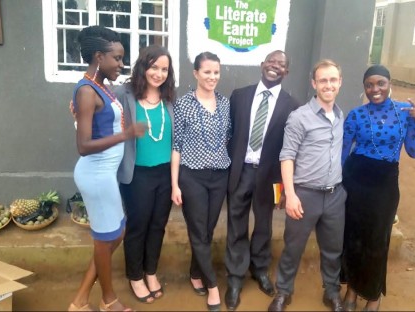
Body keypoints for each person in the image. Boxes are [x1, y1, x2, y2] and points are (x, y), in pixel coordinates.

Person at [341, 65, 415, 311]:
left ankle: (373, 295)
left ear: (390, 83)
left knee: (377, 240)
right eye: (369, 85)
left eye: (380, 83)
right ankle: (351, 289)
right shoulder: (356, 115)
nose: (375, 89)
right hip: (355, 180)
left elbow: (413, 151)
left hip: (384, 185)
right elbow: (342, 152)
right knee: (354, 237)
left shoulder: (405, 111)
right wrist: (338, 183)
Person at [69, 25, 145, 312]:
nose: (121, 64)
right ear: (99, 57)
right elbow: (84, 145)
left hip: (105, 175)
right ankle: (108, 300)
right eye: (117, 58)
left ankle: (80, 299)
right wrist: (126, 135)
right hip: (96, 175)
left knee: (116, 233)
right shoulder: (87, 91)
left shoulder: (101, 86)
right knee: (106, 238)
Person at [267, 59, 347, 312]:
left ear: (340, 83)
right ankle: (283, 292)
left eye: (333, 80)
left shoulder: (340, 115)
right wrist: (290, 195)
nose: (328, 85)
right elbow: (287, 156)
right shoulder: (299, 117)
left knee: (333, 249)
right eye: (323, 80)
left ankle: (331, 292)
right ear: (314, 83)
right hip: (305, 195)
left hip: (335, 195)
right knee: (293, 247)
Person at [225, 50, 300, 311]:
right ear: (262, 65)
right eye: (271, 61)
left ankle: (259, 269)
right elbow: (230, 133)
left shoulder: (293, 106)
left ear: (286, 72)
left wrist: (284, 186)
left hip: (270, 176)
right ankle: (235, 277)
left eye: (281, 64)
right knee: (236, 221)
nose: (275, 66)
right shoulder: (239, 96)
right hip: (241, 170)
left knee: (264, 225)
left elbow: (290, 147)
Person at [171, 51, 231, 312]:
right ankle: (213, 286)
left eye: (216, 72)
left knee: (206, 231)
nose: (212, 77)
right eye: (207, 72)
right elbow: (176, 146)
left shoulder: (225, 103)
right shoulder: (183, 104)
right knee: (198, 230)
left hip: (219, 176)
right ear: (196, 73)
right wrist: (175, 184)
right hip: (191, 176)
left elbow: (228, 136)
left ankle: (196, 273)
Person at [115, 45, 176, 304]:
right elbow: (101, 112)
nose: (158, 73)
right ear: (143, 66)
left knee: (158, 225)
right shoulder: (124, 94)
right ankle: (135, 276)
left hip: (165, 174)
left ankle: (151, 272)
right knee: (138, 226)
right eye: (154, 67)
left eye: (164, 69)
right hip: (136, 174)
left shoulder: (170, 98)